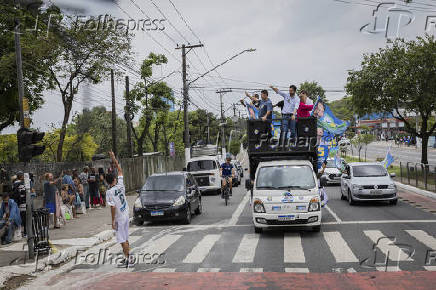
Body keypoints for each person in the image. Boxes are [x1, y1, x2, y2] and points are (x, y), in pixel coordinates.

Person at [105, 151, 133, 268]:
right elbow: (120, 170)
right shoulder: (120, 185)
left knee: (122, 239)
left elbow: (112, 207)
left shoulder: (109, 192)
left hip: (120, 217)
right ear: (115, 179)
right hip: (126, 214)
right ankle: (128, 257)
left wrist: (112, 221)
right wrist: (113, 158)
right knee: (125, 238)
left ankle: (129, 260)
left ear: (107, 182)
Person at [12, 172, 26, 237]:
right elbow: (24, 193)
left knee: (18, 218)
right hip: (22, 203)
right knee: (24, 218)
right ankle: (25, 232)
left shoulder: (14, 184)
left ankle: (19, 232)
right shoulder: (21, 183)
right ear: (21, 176)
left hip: (16, 203)